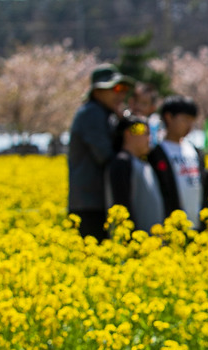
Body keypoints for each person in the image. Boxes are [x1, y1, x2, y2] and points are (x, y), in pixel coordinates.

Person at [67, 64, 134, 240]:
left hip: (95, 202)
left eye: (123, 89)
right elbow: (105, 155)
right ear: (97, 92)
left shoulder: (104, 113)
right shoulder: (91, 113)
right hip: (90, 204)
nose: (121, 94)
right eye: (116, 88)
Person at [148, 96, 208, 232]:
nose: (189, 126)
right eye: (185, 120)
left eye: (192, 121)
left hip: (197, 226)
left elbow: (204, 190)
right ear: (169, 117)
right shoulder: (156, 154)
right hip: (171, 228)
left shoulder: (195, 151)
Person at [105, 116, 164, 234]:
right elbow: (122, 203)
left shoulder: (143, 162)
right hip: (136, 242)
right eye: (146, 133)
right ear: (128, 134)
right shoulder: (122, 162)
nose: (149, 138)